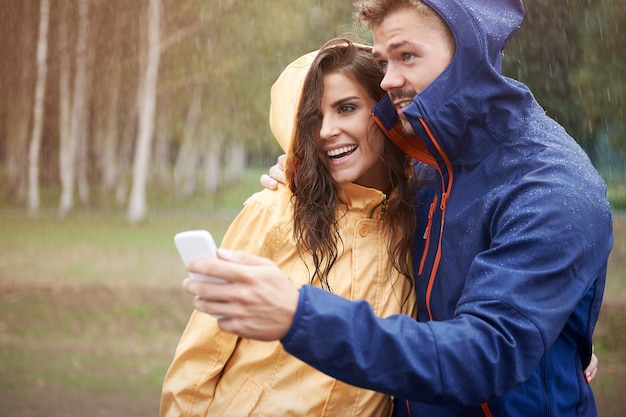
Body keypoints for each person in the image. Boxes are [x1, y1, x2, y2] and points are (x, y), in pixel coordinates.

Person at [182, 1, 613, 416]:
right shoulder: (426, 176)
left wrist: (299, 315)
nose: (388, 80)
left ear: (470, 55)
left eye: (407, 56)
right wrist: (299, 166)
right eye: (385, 62)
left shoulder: (552, 185)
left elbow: (487, 355)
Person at [160, 39, 420, 416]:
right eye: (313, 118)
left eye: (346, 108)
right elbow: (203, 354)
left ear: (383, 111)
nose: (327, 131)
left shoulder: (420, 219)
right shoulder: (274, 210)